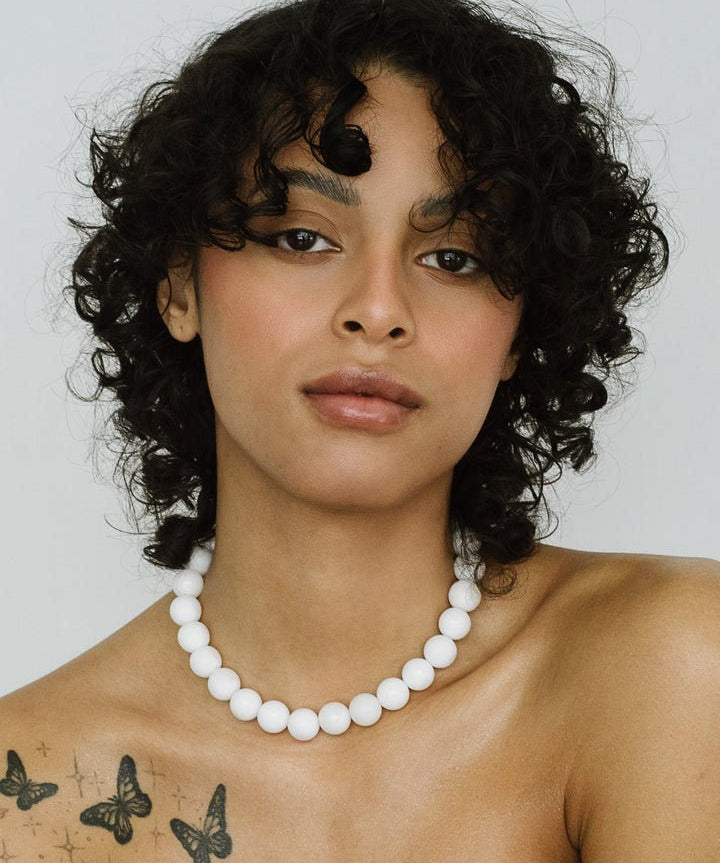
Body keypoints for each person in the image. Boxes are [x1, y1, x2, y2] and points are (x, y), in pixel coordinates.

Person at [1, 0, 718, 859]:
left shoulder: (668, 664)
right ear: (181, 287)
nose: (378, 311)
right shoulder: (28, 791)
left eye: (453, 257)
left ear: (521, 329)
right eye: (303, 237)